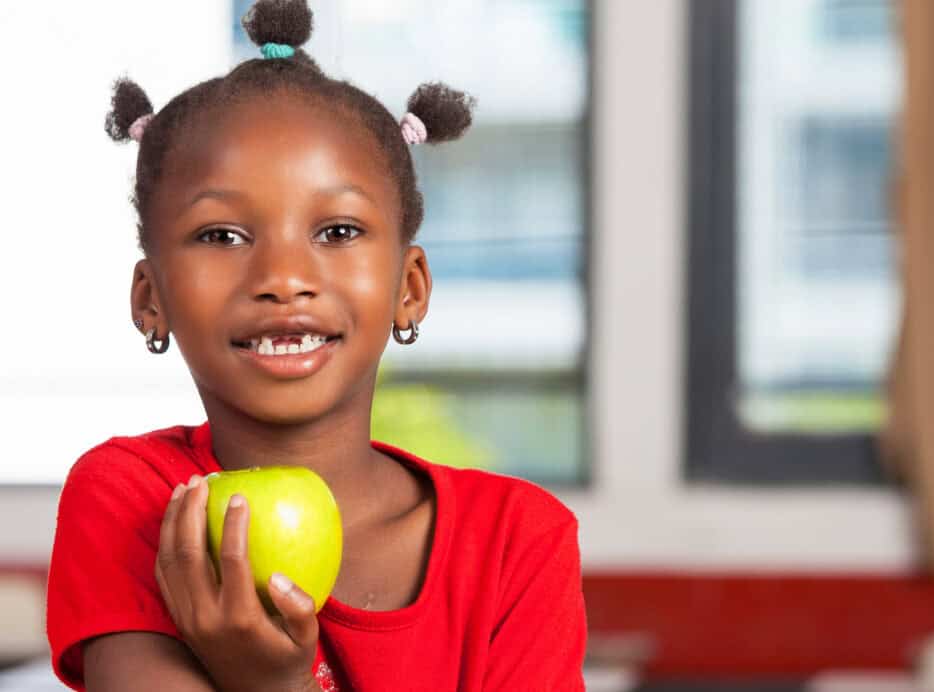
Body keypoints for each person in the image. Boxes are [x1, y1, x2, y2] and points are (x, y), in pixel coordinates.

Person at [44, 1, 587, 690]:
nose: (283, 280)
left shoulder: (518, 541)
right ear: (151, 300)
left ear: (409, 287)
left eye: (336, 231)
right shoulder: (132, 498)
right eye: (221, 236)